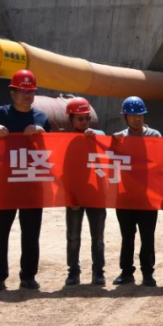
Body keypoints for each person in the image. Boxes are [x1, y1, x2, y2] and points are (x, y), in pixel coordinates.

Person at [0, 69, 51, 292]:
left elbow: (53, 148)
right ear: (12, 93)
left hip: (31, 183)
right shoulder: (0, 114)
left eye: (31, 92)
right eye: (23, 91)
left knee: (31, 233)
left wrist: (42, 132)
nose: (27, 96)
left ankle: (28, 275)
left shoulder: (41, 118)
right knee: (0, 233)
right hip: (4, 183)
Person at [111, 96, 161, 287]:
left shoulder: (154, 135)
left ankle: (147, 273)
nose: (137, 119)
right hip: (125, 195)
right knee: (127, 236)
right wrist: (114, 142)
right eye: (133, 115)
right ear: (125, 116)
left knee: (147, 236)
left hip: (148, 196)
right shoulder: (119, 137)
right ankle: (126, 271)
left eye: (140, 115)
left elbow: (161, 161)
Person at [63, 97, 107, 287]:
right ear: (71, 119)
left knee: (98, 237)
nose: (84, 122)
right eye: (80, 118)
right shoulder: (65, 141)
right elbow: (62, 171)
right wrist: (69, 195)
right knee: (73, 237)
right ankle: (73, 271)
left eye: (87, 118)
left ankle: (98, 271)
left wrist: (94, 134)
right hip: (74, 194)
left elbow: (105, 140)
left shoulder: (97, 135)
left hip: (96, 193)